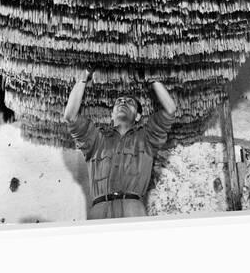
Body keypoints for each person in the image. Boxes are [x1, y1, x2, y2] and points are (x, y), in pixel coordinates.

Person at [63, 69, 176, 219]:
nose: (123, 102)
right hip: (99, 208)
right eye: (119, 101)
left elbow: (170, 110)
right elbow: (70, 117)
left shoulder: (147, 138)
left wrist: (153, 79)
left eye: (129, 102)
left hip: (132, 207)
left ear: (137, 116)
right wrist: (84, 75)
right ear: (112, 114)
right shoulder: (96, 139)